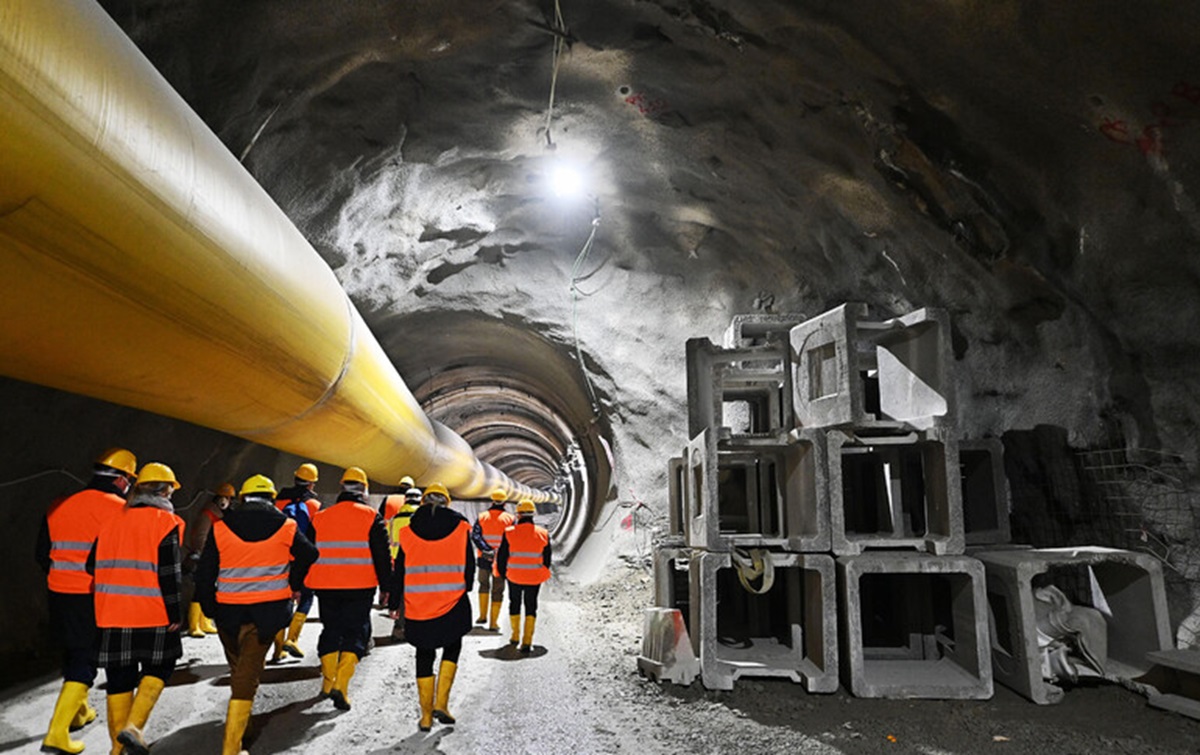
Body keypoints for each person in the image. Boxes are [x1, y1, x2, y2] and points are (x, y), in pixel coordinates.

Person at [194, 474, 319, 755]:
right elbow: (310, 553)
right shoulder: (287, 526)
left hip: (227, 612)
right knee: (247, 677)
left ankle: (243, 728)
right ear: (272, 498)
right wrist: (294, 582)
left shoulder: (222, 527)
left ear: (242, 498)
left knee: (240, 669)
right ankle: (231, 745)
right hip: (268, 612)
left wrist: (208, 606)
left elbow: (205, 573)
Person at [35, 447, 137, 755]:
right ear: (122, 480)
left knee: (71, 650)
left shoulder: (59, 505)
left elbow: (42, 553)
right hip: (94, 594)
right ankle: (56, 733)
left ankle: (79, 711)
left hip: (58, 590)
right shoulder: (121, 509)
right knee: (87, 658)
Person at [88, 462, 185, 755]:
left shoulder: (110, 521)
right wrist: (175, 615)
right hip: (152, 612)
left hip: (111, 612)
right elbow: (170, 575)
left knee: (118, 677)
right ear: (166, 490)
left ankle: (116, 752)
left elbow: (90, 564)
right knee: (161, 666)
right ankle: (133, 728)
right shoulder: (166, 522)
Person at [305, 466, 391, 710]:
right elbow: (381, 555)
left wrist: (300, 582)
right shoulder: (371, 517)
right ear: (364, 490)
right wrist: (387, 587)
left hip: (326, 585)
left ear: (342, 488)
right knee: (355, 633)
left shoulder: (320, 517)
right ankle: (341, 685)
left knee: (331, 630)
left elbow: (308, 552)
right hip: (360, 586)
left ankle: (327, 683)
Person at [390, 483, 474, 731]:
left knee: (424, 653)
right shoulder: (460, 528)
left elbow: (400, 572)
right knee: (452, 646)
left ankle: (425, 716)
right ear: (448, 502)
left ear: (423, 502)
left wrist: (395, 602)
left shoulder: (407, 531)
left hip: (418, 604)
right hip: (452, 601)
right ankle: (442, 704)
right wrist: (464, 587)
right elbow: (469, 567)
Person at [271, 463, 322, 661]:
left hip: (280, 557)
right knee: (306, 596)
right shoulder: (314, 505)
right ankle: (292, 639)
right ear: (311, 484)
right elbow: (316, 535)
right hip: (303, 557)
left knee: (282, 600)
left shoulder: (278, 501)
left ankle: (277, 651)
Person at [497, 499, 552, 653]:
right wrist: (540, 570)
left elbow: (502, 557)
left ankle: (515, 636)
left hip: (514, 575)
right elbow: (547, 559)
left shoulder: (509, 532)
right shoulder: (543, 534)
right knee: (531, 605)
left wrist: (503, 574)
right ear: (533, 514)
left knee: (514, 602)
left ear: (518, 515)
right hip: (534, 576)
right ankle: (527, 641)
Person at [184, 483, 233, 638]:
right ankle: (194, 625)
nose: (228, 501)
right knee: (199, 589)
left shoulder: (218, 513)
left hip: (212, 554)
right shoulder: (209, 514)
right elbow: (200, 535)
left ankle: (204, 622)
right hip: (204, 555)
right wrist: (202, 553)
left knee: (208, 587)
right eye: (226, 498)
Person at [471, 489, 515, 631]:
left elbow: (475, 535)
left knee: (483, 584)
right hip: (501, 559)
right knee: (498, 589)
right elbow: (512, 539)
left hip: (484, 557)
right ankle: (493, 623)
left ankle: (482, 616)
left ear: (492, 501)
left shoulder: (482, 516)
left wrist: (486, 549)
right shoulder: (510, 518)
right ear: (505, 503)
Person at [387, 486, 422, 641]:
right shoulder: (421, 519)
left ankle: (399, 627)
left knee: (400, 594)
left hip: (397, 561)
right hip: (416, 562)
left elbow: (388, 541)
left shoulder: (394, 519)